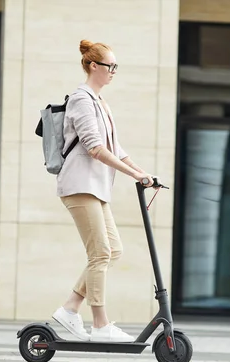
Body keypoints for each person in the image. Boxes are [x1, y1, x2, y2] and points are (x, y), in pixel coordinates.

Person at [51, 39, 156, 343]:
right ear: (93, 66)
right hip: (79, 185)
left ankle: (70, 308)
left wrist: (142, 173)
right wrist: (133, 174)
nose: (113, 72)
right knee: (99, 253)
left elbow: (115, 148)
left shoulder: (100, 102)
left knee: (114, 250)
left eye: (115, 67)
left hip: (96, 188)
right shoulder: (81, 100)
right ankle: (100, 324)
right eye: (110, 66)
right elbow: (95, 148)